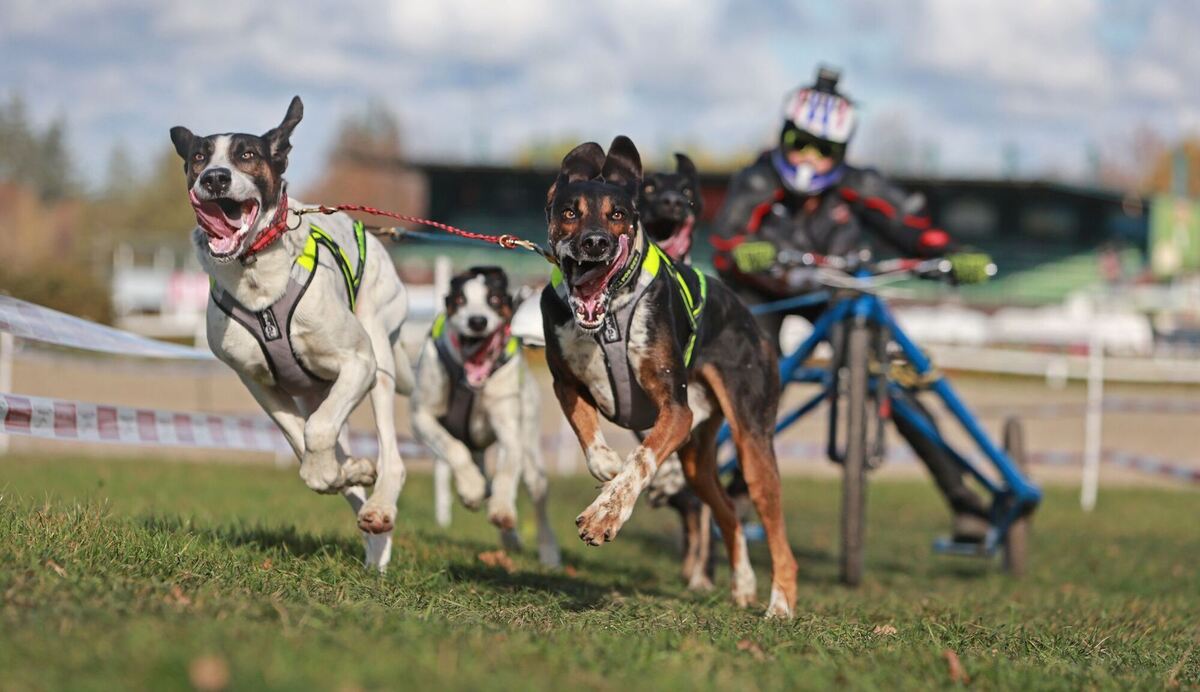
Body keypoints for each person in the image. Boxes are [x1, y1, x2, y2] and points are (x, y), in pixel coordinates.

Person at [711, 66, 993, 542]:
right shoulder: (756, 180)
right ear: (784, 135)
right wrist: (743, 255)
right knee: (755, 376)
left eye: (824, 149)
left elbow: (915, 227)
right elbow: (725, 242)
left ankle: (964, 501)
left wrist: (953, 256)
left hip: (836, 293)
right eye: (800, 141)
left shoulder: (860, 184)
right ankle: (737, 491)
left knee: (894, 385)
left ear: (841, 152)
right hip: (764, 293)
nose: (809, 157)